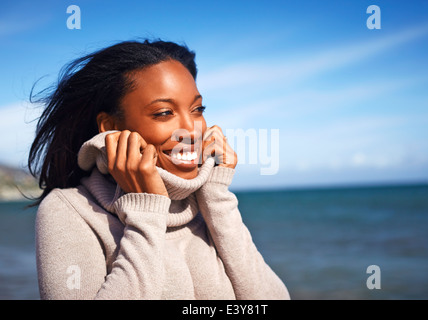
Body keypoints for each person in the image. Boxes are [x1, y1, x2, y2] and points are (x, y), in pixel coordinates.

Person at [29, 39, 290, 299]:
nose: (191, 130)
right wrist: (146, 211)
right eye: (164, 113)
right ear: (110, 127)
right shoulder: (69, 210)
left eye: (197, 109)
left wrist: (218, 197)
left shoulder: (206, 203)